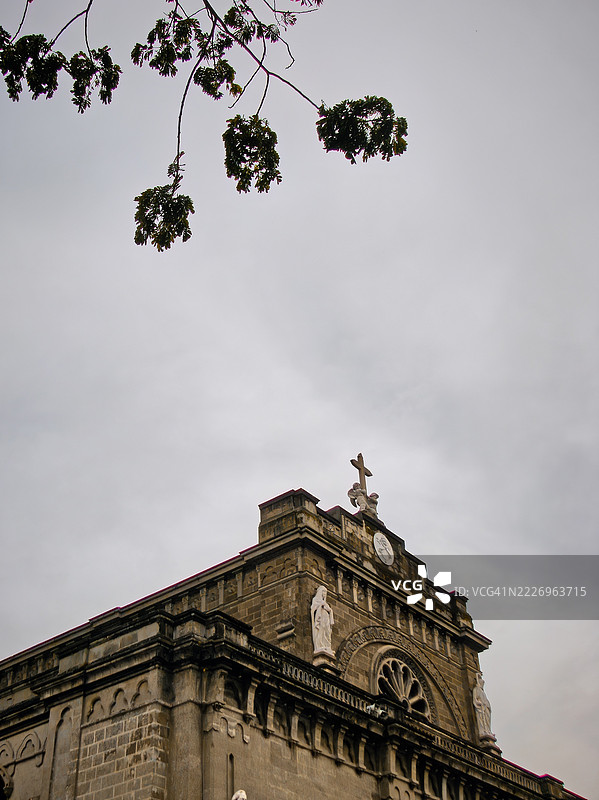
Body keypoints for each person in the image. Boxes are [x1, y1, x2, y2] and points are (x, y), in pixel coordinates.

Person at [311, 585, 334, 654]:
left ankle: (327, 646)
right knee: (321, 631)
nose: (324, 594)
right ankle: (320, 645)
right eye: (323, 592)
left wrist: (330, 610)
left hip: (326, 619)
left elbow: (329, 610)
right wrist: (320, 605)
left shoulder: (326, 603)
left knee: (327, 632)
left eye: (325, 592)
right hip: (320, 619)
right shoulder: (315, 599)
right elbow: (313, 609)